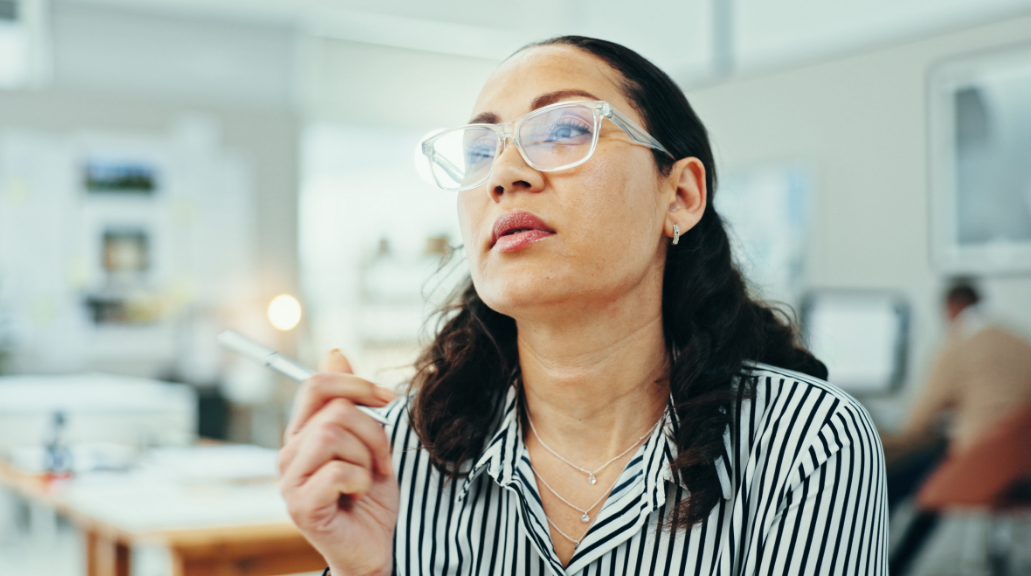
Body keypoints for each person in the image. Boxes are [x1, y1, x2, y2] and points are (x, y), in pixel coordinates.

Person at [276, 36, 888, 576]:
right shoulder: (400, 455)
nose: (504, 174)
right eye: (480, 151)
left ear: (679, 195)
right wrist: (360, 570)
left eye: (565, 129)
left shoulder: (805, 444)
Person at [882, 280, 1031, 574]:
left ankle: (885, 561)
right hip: (1020, 459)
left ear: (951, 309)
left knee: (895, 481)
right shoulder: (1018, 340)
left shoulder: (959, 345)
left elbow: (920, 418)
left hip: (979, 459)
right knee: (930, 473)